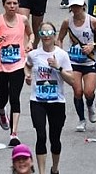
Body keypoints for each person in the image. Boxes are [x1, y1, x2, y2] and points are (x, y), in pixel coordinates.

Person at [0, 0, 34, 147]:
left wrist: (30, 42)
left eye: (15, 3)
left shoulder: (23, 19)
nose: (12, 6)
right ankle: (1, 111)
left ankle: (14, 134)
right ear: (4, 5)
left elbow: (31, 34)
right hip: (0, 65)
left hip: (18, 64)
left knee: (15, 98)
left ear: (18, 5)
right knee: (3, 98)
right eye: (9, 3)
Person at [25, 21, 75, 174]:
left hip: (56, 101)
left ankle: (55, 168)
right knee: (41, 135)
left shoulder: (62, 55)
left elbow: (72, 80)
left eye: (49, 33)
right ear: (39, 35)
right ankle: (42, 171)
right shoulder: (34, 54)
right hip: (37, 101)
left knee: (55, 138)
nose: (46, 36)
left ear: (54, 35)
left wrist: (58, 67)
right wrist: (27, 75)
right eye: (43, 33)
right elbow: (27, 65)